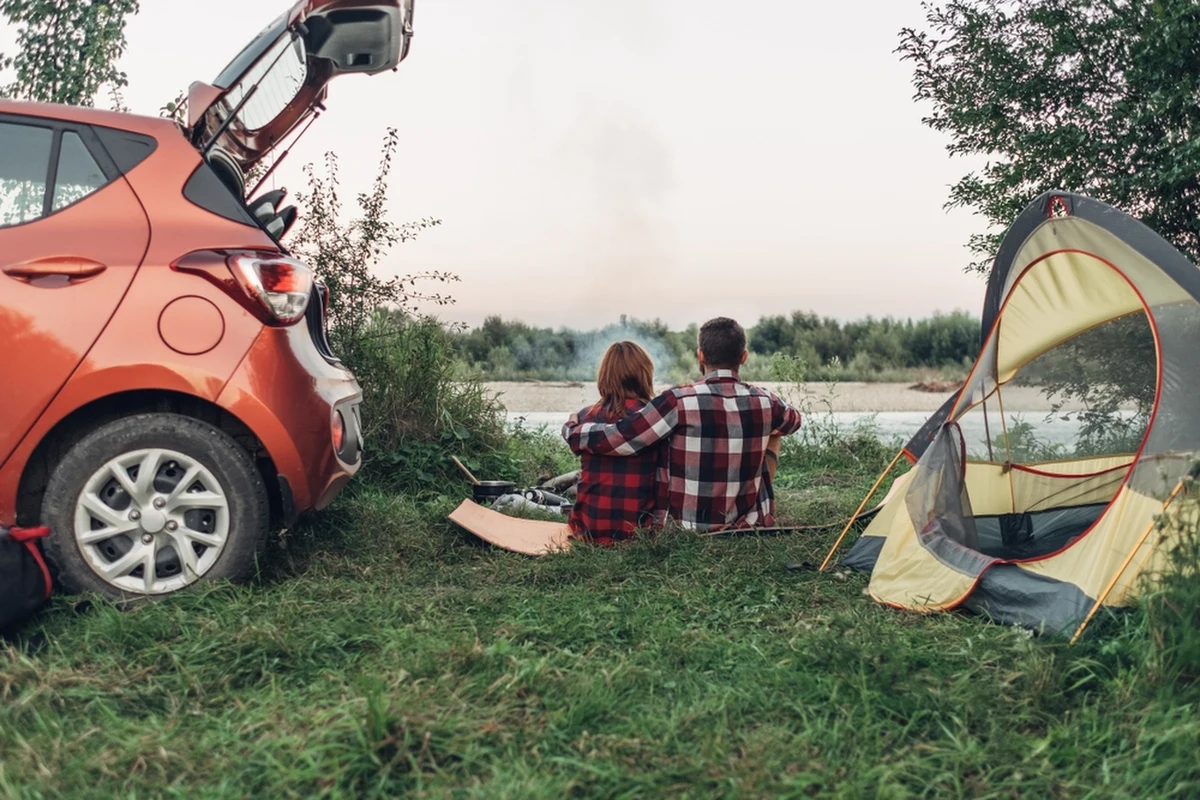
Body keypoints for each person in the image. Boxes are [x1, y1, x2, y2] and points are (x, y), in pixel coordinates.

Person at [562, 317, 802, 532]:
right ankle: (750, 508)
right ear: (744, 357)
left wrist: (574, 430)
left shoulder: (677, 401)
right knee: (775, 431)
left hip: (687, 526)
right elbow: (794, 421)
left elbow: (621, 438)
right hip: (748, 525)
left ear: (700, 355)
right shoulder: (766, 401)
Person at [566, 341, 664, 545]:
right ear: (644, 376)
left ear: (604, 377)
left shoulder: (585, 416)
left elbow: (571, 432)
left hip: (588, 529)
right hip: (637, 531)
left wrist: (570, 422)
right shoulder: (653, 420)